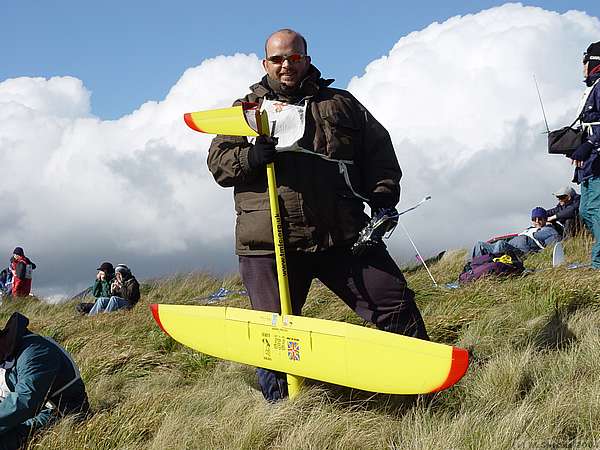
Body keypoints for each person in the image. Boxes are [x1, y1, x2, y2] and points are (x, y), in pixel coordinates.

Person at [207, 29, 428, 401]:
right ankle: (282, 413)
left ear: (306, 59)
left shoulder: (342, 104)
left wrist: (383, 195)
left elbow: (378, 153)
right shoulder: (243, 111)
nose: (285, 66)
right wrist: (250, 158)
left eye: (293, 58)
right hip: (269, 243)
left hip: (341, 235)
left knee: (395, 305)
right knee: (274, 337)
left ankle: (425, 387)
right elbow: (219, 165)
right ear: (265, 64)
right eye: (277, 59)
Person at [0, 312, 89, 450]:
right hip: (34, 410)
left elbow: (25, 401)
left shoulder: (35, 352)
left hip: (60, 413)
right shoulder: (8, 353)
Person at [569, 41, 600, 268]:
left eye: (585, 61)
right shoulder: (593, 87)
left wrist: (588, 144)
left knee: (595, 209)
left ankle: (598, 261)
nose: (582, 66)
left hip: (597, 159)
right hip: (588, 163)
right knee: (585, 209)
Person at [472, 207, 560, 259]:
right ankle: (472, 269)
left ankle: (491, 267)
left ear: (545, 219)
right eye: (534, 219)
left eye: (540, 218)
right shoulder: (529, 229)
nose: (537, 221)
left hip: (521, 253)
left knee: (500, 244)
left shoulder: (548, 230)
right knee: (479, 245)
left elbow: (553, 244)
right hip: (509, 246)